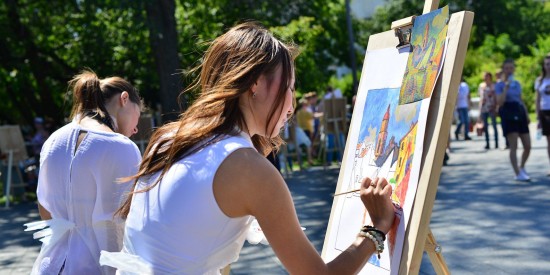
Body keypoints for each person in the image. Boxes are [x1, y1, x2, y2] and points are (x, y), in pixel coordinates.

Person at [101, 22, 395, 274]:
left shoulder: (171, 138)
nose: (291, 104)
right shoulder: (248, 170)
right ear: (255, 84)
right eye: (289, 87)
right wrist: (375, 228)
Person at [24, 70, 143, 274]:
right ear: (124, 99)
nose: (135, 130)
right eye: (138, 116)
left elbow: (45, 211)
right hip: (101, 266)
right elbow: (134, 219)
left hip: (52, 265)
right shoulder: (122, 147)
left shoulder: (53, 140)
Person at [495, 59, 531, 181]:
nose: (509, 70)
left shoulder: (517, 84)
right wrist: (506, 87)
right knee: (514, 145)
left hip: (519, 112)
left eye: (511, 68)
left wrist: (526, 114)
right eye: (507, 68)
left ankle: (521, 167)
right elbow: (500, 102)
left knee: (527, 145)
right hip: (508, 113)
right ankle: (517, 173)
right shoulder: (499, 85)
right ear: (503, 70)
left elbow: (520, 100)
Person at [535, 53, 550, 176]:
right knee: (549, 141)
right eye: (546, 64)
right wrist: (537, 116)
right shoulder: (540, 81)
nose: (548, 66)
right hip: (545, 112)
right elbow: (537, 99)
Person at [478, 72, 499, 149]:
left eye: (487, 76)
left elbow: (496, 97)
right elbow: (481, 98)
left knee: (494, 126)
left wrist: (497, 107)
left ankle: (496, 143)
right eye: (485, 76)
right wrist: (479, 111)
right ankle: (487, 143)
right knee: (485, 126)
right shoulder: (481, 86)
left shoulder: (494, 86)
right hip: (484, 108)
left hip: (492, 108)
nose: (486, 78)